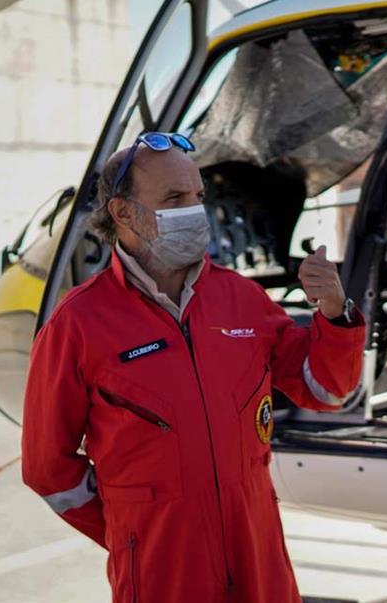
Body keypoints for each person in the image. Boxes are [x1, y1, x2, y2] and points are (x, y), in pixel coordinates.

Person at [22, 133, 366, 603]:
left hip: (256, 551)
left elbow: (326, 391)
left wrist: (335, 314)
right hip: (162, 566)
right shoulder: (77, 323)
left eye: (198, 196)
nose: (194, 210)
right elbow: (48, 469)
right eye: (174, 198)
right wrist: (131, 529)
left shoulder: (242, 299)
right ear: (123, 213)